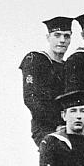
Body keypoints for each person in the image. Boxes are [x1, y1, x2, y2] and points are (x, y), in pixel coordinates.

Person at [21, 16, 73, 145]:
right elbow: (31, 98)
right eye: (57, 35)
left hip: (68, 125)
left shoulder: (69, 66)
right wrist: (56, 125)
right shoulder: (35, 60)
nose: (62, 40)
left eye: (67, 36)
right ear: (48, 37)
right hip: (45, 127)